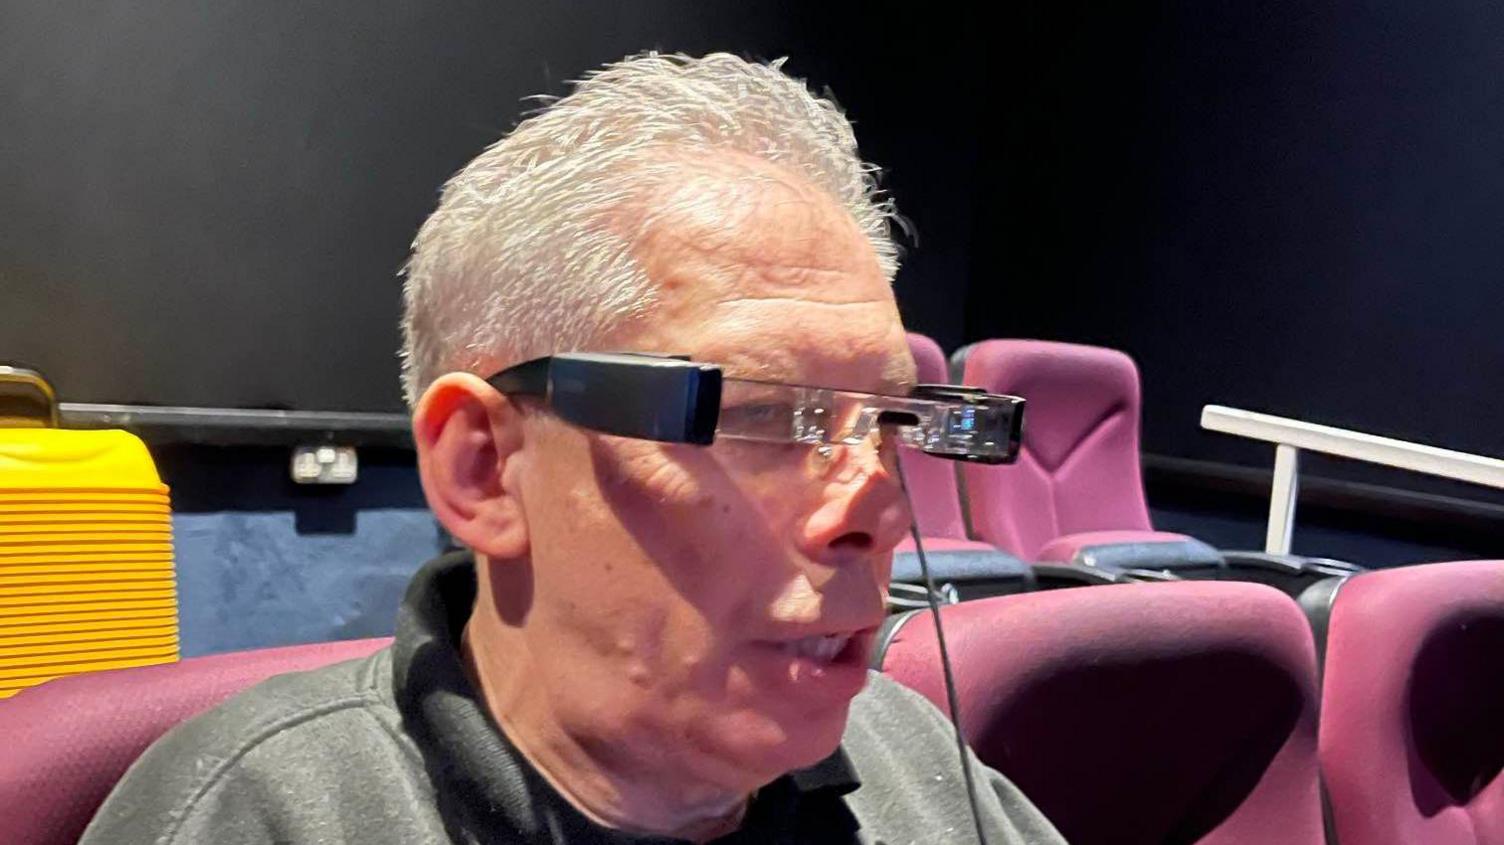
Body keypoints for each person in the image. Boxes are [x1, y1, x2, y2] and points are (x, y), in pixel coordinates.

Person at [82, 52, 1064, 844]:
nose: (880, 508)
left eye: (891, 421)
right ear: (483, 465)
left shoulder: (919, 763)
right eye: (758, 412)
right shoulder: (250, 815)